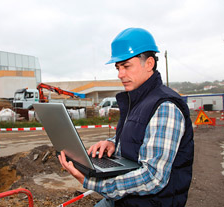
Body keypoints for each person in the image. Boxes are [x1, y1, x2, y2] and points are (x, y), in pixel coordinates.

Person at [58, 28, 194, 207]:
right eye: (118, 67)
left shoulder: (165, 106)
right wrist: (113, 142)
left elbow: (153, 177)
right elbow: (140, 133)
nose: (120, 74)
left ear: (149, 63)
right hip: (124, 200)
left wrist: (93, 182)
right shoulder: (137, 100)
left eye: (126, 66)